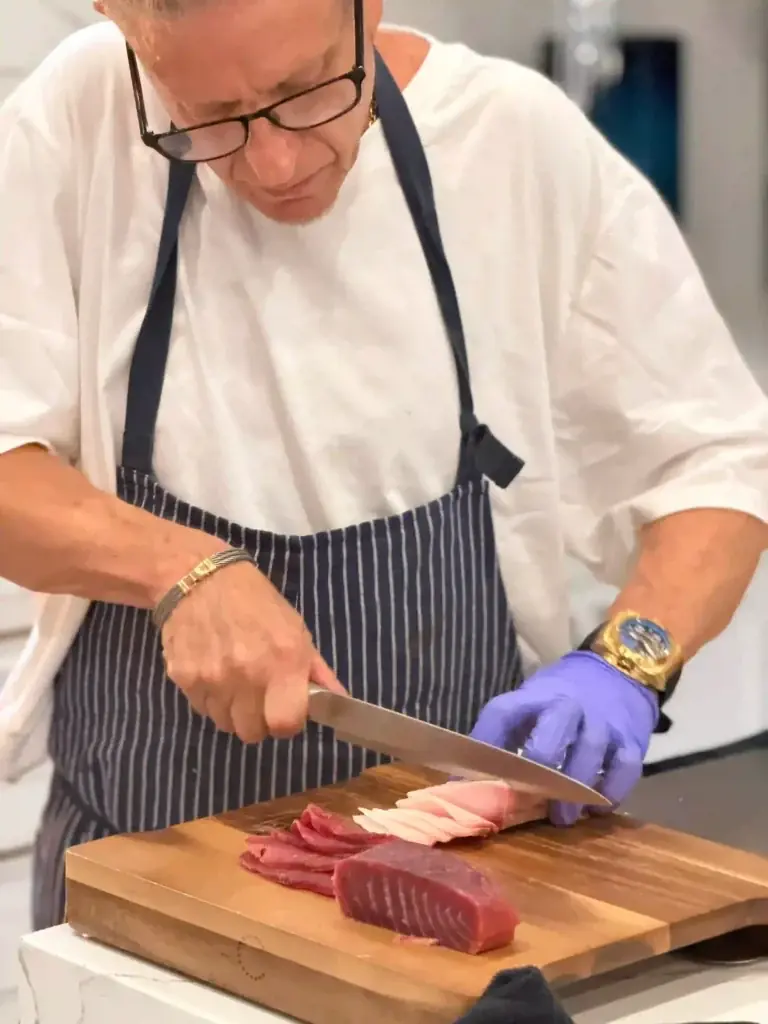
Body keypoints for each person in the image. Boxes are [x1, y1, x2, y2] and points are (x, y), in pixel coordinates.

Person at [0, 0, 766, 932]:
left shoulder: (512, 143)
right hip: (139, 876)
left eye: (307, 90)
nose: (275, 163)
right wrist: (177, 568)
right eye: (205, 119)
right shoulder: (75, 118)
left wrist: (624, 664)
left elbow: (716, 459)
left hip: (451, 891)